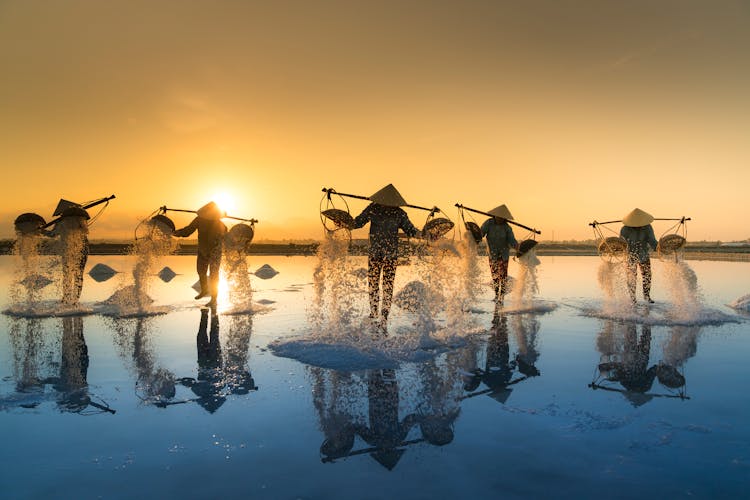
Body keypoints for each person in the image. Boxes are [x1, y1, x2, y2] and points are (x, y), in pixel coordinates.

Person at [352, 184, 419, 330]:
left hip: (385, 255)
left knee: (380, 285)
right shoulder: (376, 209)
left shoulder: (391, 212)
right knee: (379, 284)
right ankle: (377, 314)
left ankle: (381, 315)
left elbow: (411, 230)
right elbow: (356, 223)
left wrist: (423, 234)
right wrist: (345, 222)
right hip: (381, 254)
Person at [173, 201, 227, 306]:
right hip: (202, 250)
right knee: (201, 271)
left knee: (214, 275)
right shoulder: (199, 220)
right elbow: (187, 231)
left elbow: (226, 234)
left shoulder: (219, 223)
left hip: (215, 251)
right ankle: (204, 290)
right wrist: (175, 232)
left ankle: (214, 299)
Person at [50, 207, 90, 306]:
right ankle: (67, 297)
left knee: (77, 275)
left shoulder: (80, 221)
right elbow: (52, 234)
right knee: (69, 275)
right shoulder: (61, 222)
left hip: (81, 250)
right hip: (68, 251)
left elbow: (52, 234)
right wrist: (40, 231)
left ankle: (75, 299)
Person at [480, 205, 518, 305]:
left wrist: (518, 247)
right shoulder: (489, 223)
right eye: (499, 217)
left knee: (503, 275)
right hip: (492, 253)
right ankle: (497, 295)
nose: (500, 219)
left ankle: (502, 295)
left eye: (502, 218)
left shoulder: (507, 227)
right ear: (495, 216)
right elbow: (481, 234)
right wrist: (474, 235)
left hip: (504, 253)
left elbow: (512, 241)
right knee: (495, 275)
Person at [620, 208, 658, 304]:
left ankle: (647, 296)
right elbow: (621, 244)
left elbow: (652, 241)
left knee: (647, 275)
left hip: (643, 254)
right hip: (630, 255)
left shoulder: (647, 227)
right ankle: (632, 298)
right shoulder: (625, 229)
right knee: (631, 277)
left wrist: (659, 247)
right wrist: (616, 247)